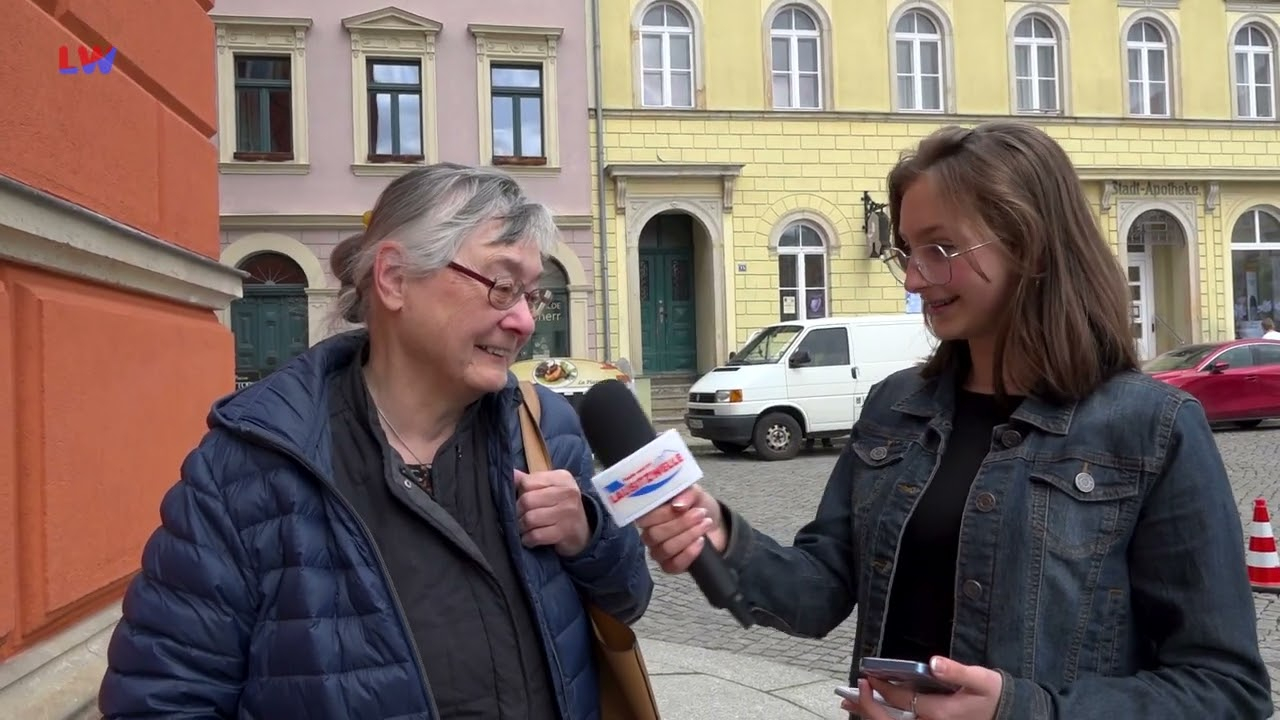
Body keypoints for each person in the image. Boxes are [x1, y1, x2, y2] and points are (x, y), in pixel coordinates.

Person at [636, 122, 1273, 719]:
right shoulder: (894, 408)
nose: (915, 279)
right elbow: (822, 589)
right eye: (909, 251)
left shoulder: (1151, 428)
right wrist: (720, 535)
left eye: (939, 249)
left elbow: (1224, 687)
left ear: (1029, 243)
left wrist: (1020, 708)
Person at [98, 163, 653, 719]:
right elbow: (162, 697)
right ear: (393, 278)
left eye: (533, 295)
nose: (525, 321)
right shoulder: (249, 465)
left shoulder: (544, 427)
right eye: (503, 286)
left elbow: (630, 595)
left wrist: (587, 533)